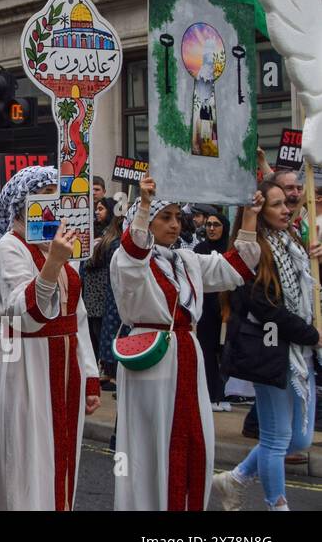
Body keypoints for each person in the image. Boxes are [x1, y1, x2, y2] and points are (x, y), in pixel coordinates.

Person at [110, 175, 262, 511]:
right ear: (146, 220)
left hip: (186, 355)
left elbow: (233, 267)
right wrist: (146, 204)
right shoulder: (127, 260)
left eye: (178, 217)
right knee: (150, 443)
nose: (175, 224)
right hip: (150, 357)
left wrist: (249, 215)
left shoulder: (186, 260)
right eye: (166, 217)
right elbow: (134, 251)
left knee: (191, 438)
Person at [0, 167, 98, 510]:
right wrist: (52, 265)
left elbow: (76, 318)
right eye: (44, 193)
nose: (53, 202)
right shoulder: (10, 247)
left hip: (65, 366)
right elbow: (24, 312)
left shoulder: (60, 246)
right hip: (26, 363)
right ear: (22, 203)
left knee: (62, 454)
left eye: (56, 193)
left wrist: (90, 374)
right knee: (28, 457)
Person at [213, 182, 322, 511]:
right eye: (276, 205)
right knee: (276, 439)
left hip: (299, 354)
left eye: (286, 204)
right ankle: (278, 506)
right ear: (259, 214)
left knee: (299, 439)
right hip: (271, 350)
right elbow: (265, 307)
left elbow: (311, 290)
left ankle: (236, 477)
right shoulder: (255, 252)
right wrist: (312, 335)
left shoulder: (293, 244)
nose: (286, 209)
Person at [192, 210, 231, 412]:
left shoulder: (229, 248)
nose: (212, 229)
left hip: (227, 307)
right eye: (208, 225)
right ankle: (210, 392)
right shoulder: (200, 249)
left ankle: (223, 392)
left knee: (225, 351)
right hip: (206, 307)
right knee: (206, 350)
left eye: (216, 225)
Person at [89, 200, 125, 394]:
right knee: (98, 333)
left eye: (102, 209)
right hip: (98, 295)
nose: (97, 212)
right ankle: (104, 369)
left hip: (104, 293)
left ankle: (111, 372)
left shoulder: (114, 240)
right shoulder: (102, 234)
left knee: (108, 332)